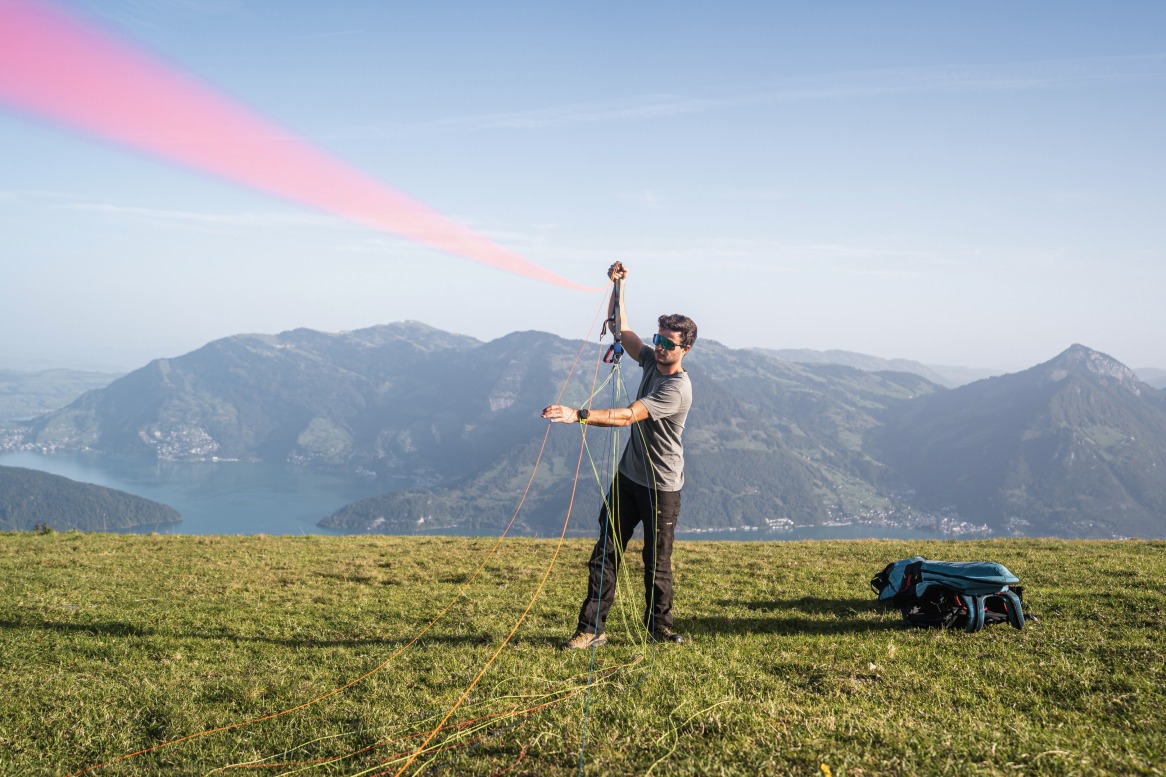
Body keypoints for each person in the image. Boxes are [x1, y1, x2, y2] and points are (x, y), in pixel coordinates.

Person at [542, 261, 697, 649]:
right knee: (605, 552)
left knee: (656, 564)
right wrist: (619, 287)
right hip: (629, 478)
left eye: (669, 344)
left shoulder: (675, 388)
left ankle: (658, 628)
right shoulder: (650, 359)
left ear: (686, 349)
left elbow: (627, 416)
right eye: (658, 340)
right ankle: (592, 629)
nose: (660, 348)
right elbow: (621, 329)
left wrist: (577, 414)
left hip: (661, 487)